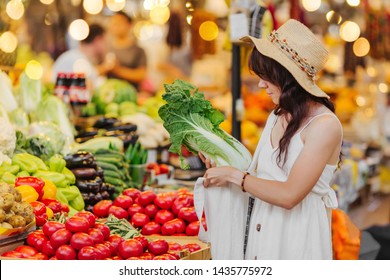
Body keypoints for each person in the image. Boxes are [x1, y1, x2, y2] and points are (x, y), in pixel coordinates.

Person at [199, 19, 343, 260]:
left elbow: (289, 195)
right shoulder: (277, 115)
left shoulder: (325, 126)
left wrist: (234, 176)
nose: (260, 84)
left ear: (287, 77)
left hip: (297, 241)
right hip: (262, 237)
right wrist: (221, 164)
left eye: (266, 76)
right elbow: (261, 179)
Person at [51, 24, 108, 89]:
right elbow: (85, 88)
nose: (106, 46)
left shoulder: (74, 56)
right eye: (105, 42)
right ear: (97, 40)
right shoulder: (77, 60)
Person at [106, 11, 147, 90]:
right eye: (113, 23)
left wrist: (118, 70)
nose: (115, 26)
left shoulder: (138, 50)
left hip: (132, 94)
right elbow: (94, 70)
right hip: (109, 94)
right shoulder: (106, 48)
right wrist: (105, 67)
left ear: (129, 25)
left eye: (119, 23)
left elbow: (141, 75)